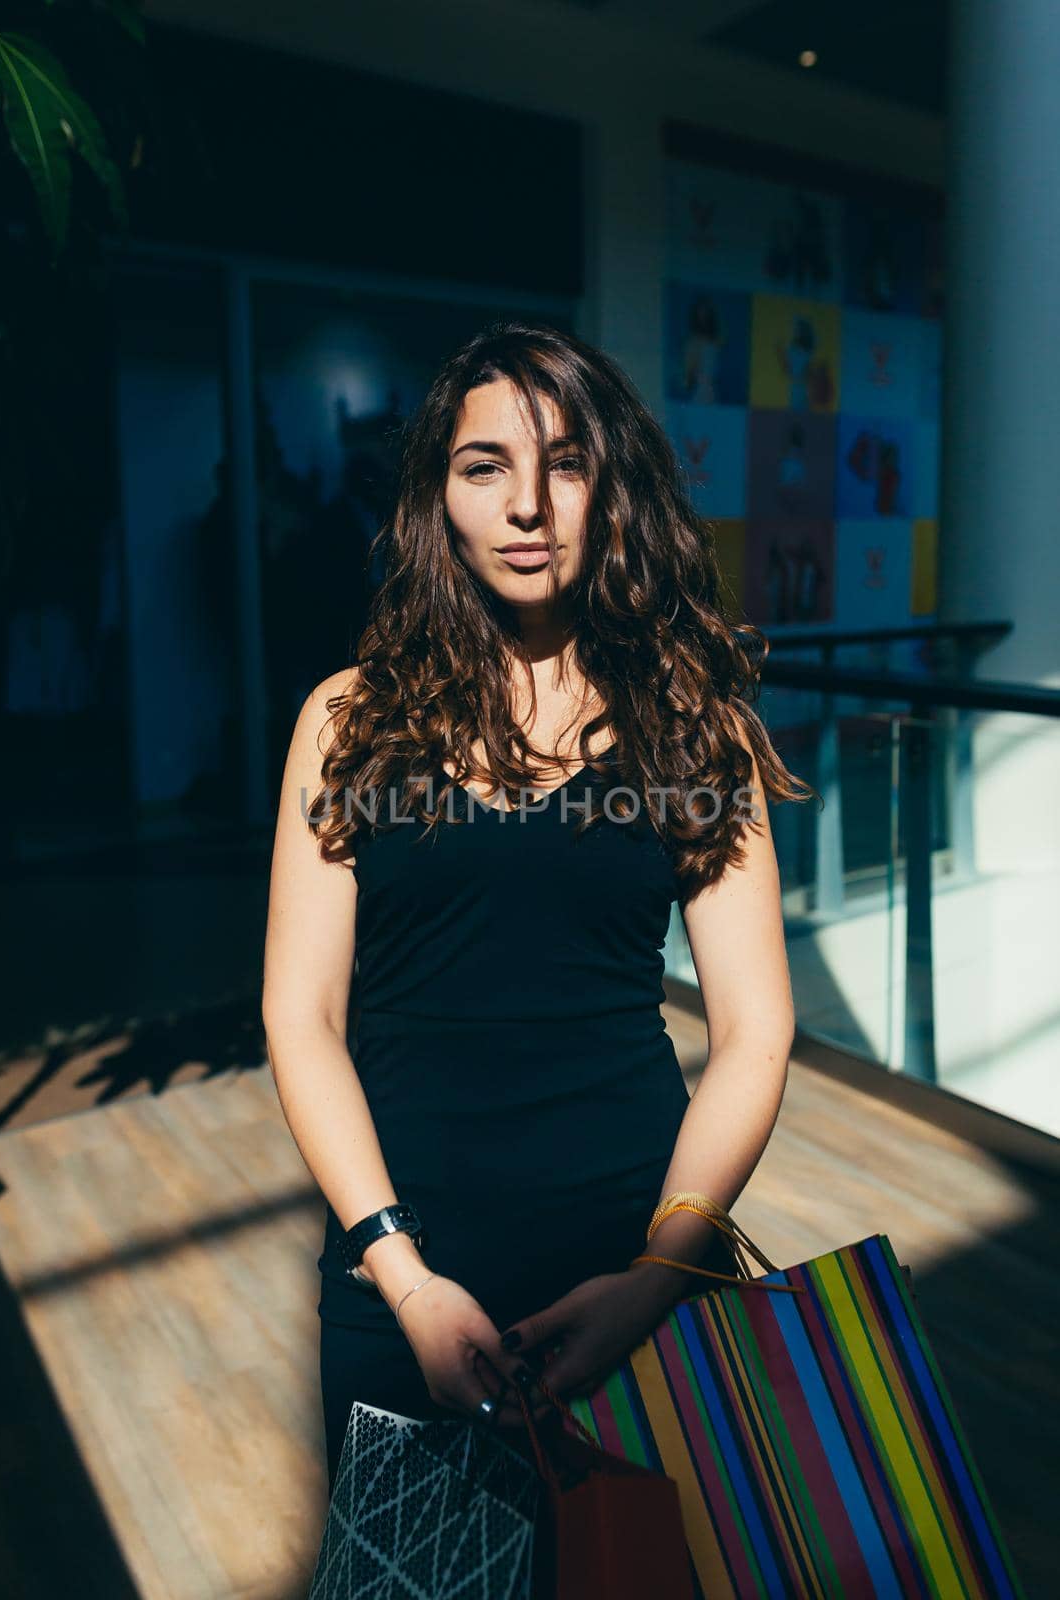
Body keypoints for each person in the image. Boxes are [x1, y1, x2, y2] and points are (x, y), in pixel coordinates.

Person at [261, 321, 808, 1498]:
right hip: (397, 1271)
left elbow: (755, 1030)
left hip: (631, 1259)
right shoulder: (347, 718)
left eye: (563, 462)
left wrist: (659, 1272)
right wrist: (401, 1274)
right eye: (483, 466)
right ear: (438, 500)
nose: (527, 505)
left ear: (612, 484)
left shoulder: (691, 723)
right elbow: (300, 1016)